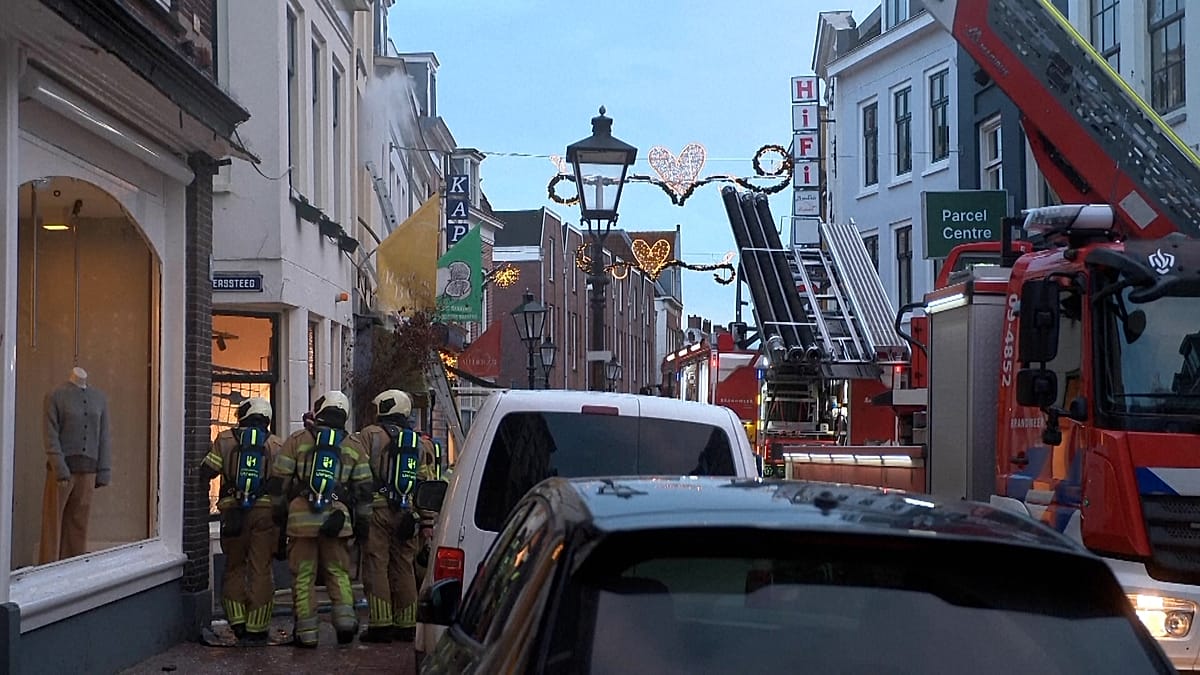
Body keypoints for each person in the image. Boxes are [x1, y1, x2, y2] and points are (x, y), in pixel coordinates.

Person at [270, 390, 373, 647]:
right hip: (338, 522)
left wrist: (280, 514)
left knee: (303, 576)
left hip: (300, 521)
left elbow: (279, 481)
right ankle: (346, 622)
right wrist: (362, 524)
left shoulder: (297, 440)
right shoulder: (354, 446)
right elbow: (364, 490)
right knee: (338, 573)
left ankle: (306, 633)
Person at [355, 389, 439, 643]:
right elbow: (426, 484)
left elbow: (359, 473)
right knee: (404, 566)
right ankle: (407, 624)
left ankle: (381, 625)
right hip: (408, 514)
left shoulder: (370, 435)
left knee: (376, 564)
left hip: (377, 511)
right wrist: (426, 522)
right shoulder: (420, 443)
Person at [199, 397, 282, 644]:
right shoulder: (276, 444)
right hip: (265, 514)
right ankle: (258, 627)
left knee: (234, 566)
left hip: (232, 514)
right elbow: (283, 482)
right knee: (261, 568)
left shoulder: (225, 439)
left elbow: (207, 470)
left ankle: (237, 622)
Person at [40, 366, 111, 563]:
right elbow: (50, 436)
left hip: (88, 472)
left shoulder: (99, 399)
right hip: (61, 473)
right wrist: (59, 467)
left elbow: (104, 436)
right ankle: (48, 568)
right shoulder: (55, 396)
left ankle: (73, 568)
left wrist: (103, 470)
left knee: (79, 525)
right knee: (53, 524)